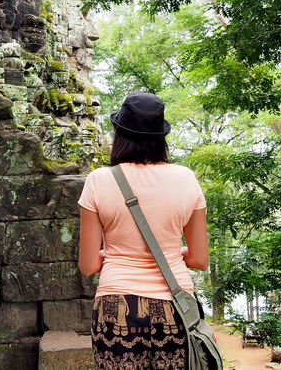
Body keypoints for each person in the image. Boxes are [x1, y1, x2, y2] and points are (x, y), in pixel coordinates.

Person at [77, 91, 209, 369]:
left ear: (119, 133)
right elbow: (199, 259)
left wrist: (116, 255)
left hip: (116, 306)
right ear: (161, 136)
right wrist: (173, 251)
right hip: (175, 306)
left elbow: (88, 265)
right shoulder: (186, 178)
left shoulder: (99, 180)